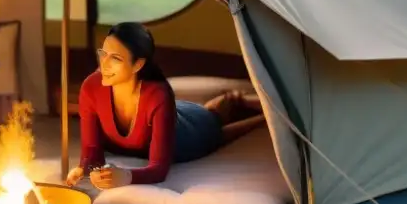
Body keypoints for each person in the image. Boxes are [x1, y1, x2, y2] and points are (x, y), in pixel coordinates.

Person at [65, 22, 265, 190]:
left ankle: (264, 115)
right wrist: (83, 169)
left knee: (214, 124)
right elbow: (91, 150)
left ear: (138, 65)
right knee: (213, 110)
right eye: (103, 53)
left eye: (115, 58)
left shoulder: (157, 94)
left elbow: (159, 169)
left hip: (188, 135)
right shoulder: (91, 87)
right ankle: (236, 100)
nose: (104, 64)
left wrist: (125, 177)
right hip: (175, 112)